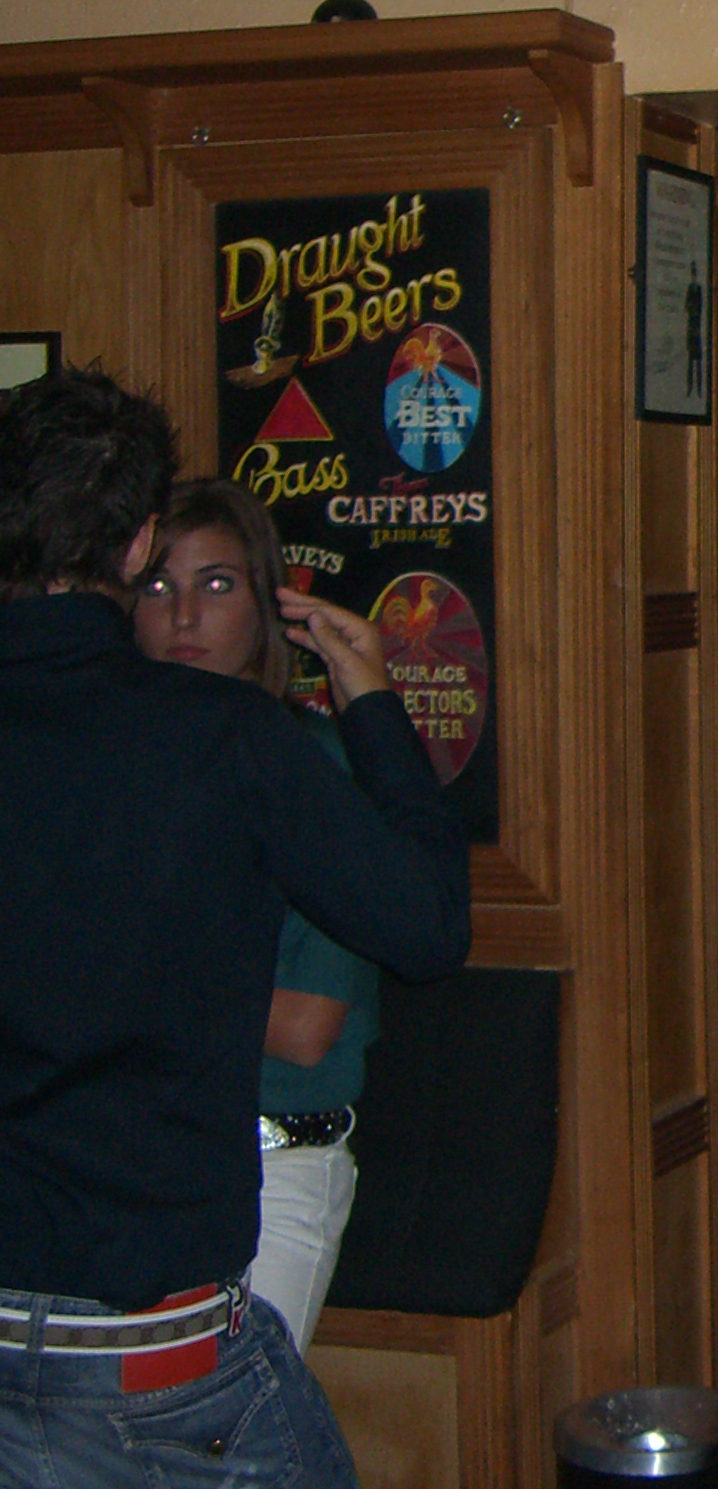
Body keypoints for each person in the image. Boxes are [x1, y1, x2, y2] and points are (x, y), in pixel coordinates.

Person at [0, 368, 470, 1488]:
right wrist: (374, 708)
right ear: (136, 546)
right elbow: (427, 929)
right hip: (149, 1354)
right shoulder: (222, 737)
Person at [130, 478, 381, 1353]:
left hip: (273, 1163)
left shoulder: (311, 765)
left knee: (228, 1421)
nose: (184, 616)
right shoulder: (99, 762)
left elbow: (307, 1027)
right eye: (157, 585)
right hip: (115, 1158)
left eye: (216, 584)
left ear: (268, 604)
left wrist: (106, 980)